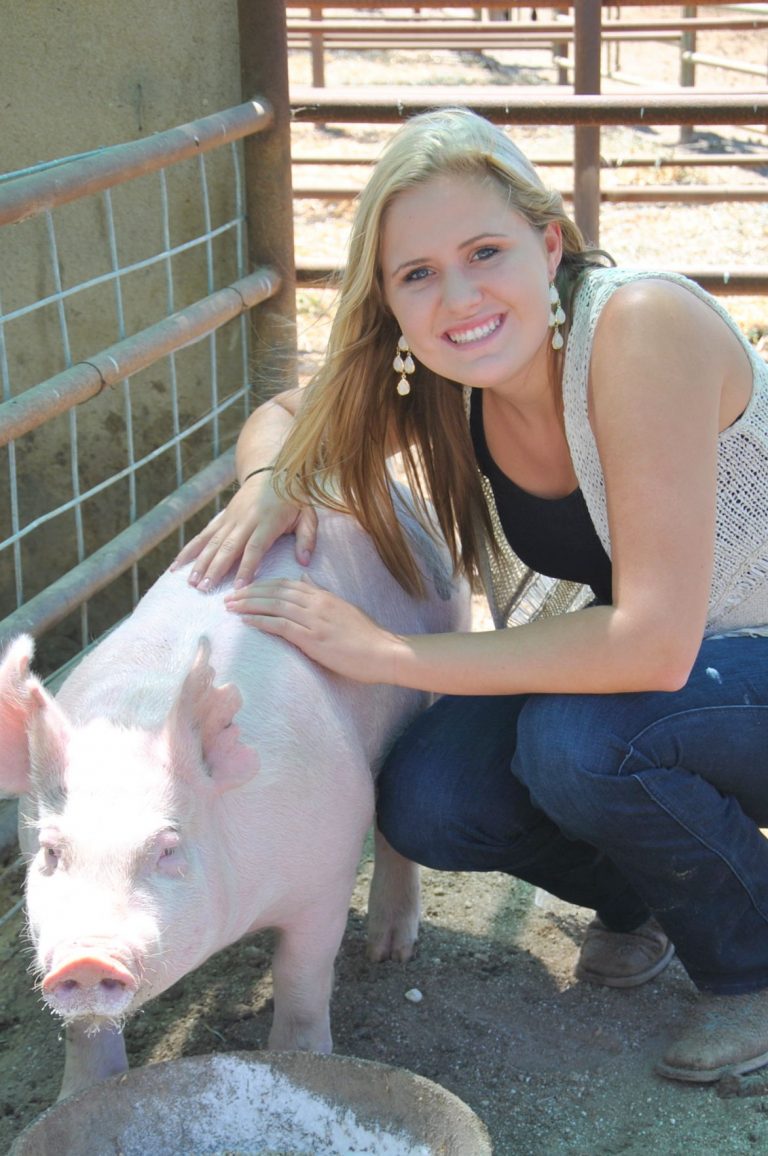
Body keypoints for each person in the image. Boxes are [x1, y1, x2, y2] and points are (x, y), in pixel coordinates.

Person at [173, 107, 768, 1085]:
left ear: (547, 242)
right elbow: (284, 415)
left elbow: (655, 644)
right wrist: (271, 481)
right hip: (671, 686)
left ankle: (753, 967)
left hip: (725, 661)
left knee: (581, 745)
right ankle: (652, 893)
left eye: (485, 250)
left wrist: (388, 655)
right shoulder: (448, 378)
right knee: (428, 798)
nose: (459, 296)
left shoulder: (640, 327)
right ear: (392, 302)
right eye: (417, 274)